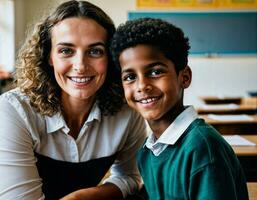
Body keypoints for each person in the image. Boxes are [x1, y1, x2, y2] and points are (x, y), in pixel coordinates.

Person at [0, 1, 147, 199]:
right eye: (66, 50)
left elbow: (130, 176)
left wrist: (83, 197)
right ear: (49, 56)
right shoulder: (14, 111)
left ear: (111, 57)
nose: (80, 66)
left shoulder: (127, 111)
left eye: (95, 51)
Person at [110, 18, 249, 200]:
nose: (142, 86)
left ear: (184, 77)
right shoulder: (147, 151)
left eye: (155, 72)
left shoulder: (202, 149)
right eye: (130, 77)